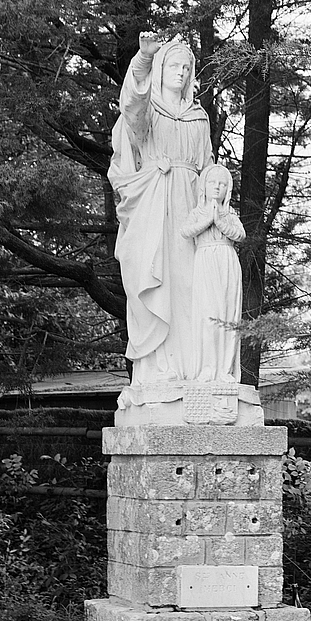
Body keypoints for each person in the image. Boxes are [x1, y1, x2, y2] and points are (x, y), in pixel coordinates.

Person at [108, 32, 213, 384]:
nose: (181, 72)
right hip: (154, 203)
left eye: (187, 67)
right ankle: (158, 368)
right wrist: (142, 58)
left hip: (191, 208)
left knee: (189, 285)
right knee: (158, 279)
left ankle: (191, 368)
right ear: (161, 68)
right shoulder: (148, 111)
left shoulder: (199, 117)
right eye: (173, 65)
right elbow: (132, 106)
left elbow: (208, 164)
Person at [182, 163, 246, 382]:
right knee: (207, 315)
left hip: (227, 262)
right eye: (212, 182)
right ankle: (207, 368)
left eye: (222, 183)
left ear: (227, 189)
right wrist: (209, 218)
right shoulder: (197, 213)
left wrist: (219, 219)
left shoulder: (229, 215)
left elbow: (240, 235)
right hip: (205, 262)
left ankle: (224, 370)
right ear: (204, 186)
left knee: (228, 316)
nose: (217, 187)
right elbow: (186, 231)